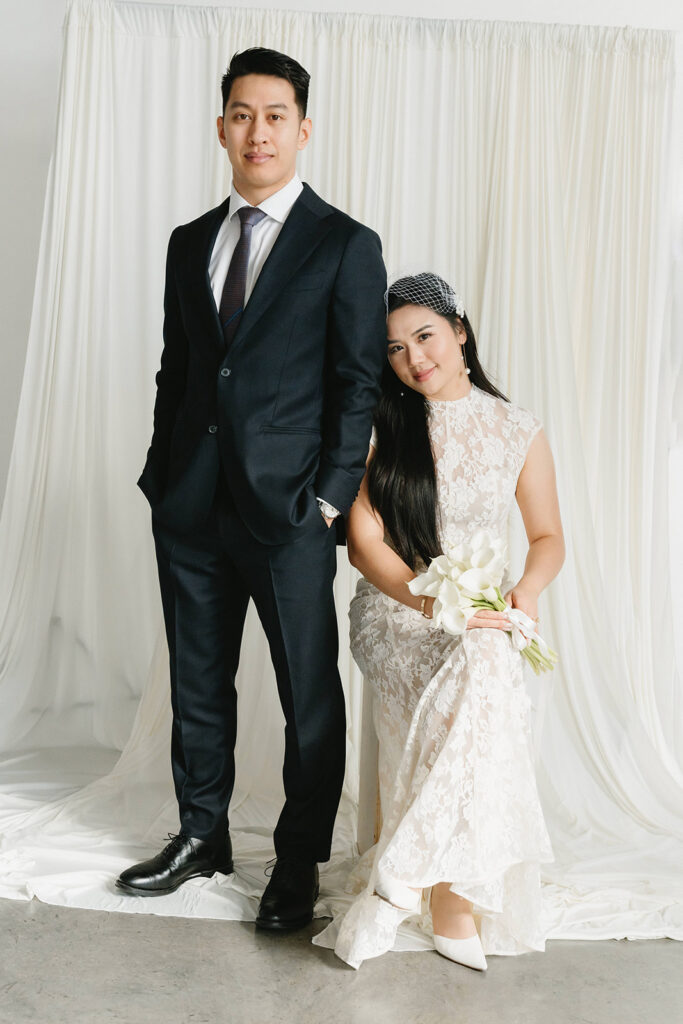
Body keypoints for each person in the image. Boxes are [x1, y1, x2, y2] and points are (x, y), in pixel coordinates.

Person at [116, 47, 387, 931]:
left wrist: (328, 499)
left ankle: (298, 861)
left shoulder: (344, 245)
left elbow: (357, 383)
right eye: (241, 114)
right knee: (198, 682)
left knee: (308, 692)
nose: (257, 131)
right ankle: (202, 835)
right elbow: (180, 370)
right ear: (220, 127)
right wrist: (161, 479)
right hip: (191, 506)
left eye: (274, 116)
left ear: (302, 130)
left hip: (289, 509)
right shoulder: (189, 241)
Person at [313, 272, 564, 969]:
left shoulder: (516, 428)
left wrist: (524, 594)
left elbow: (547, 538)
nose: (413, 358)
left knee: (485, 659)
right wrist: (430, 603)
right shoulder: (382, 426)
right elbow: (364, 544)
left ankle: (409, 880)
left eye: (423, 337)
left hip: (480, 616)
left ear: (459, 331)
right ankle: (447, 904)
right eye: (394, 349)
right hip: (398, 613)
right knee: (483, 668)